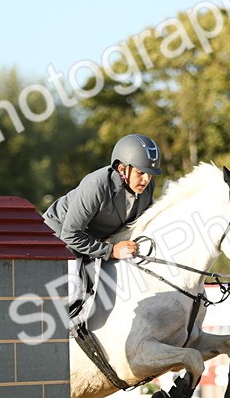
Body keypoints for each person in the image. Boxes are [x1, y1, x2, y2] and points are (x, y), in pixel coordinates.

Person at [43, 134, 163, 315]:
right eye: (140, 172)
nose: (146, 180)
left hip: (94, 237)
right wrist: (111, 251)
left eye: (150, 174)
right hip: (59, 236)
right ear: (122, 169)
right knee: (73, 291)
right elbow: (71, 234)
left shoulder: (146, 189)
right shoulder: (96, 185)